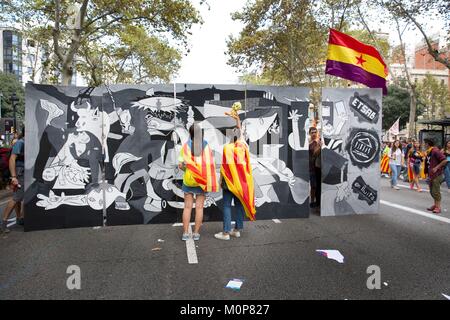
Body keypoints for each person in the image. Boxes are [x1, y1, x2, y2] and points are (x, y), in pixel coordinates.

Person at [215, 110, 256, 241]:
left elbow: (223, 167)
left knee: (226, 205)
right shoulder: (243, 146)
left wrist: (219, 181)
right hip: (242, 183)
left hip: (229, 182)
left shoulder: (227, 148)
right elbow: (241, 132)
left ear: (229, 136)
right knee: (239, 205)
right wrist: (237, 120)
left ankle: (226, 232)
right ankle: (237, 230)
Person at [178, 123, 218, 241]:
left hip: (189, 181)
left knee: (187, 207)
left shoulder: (186, 146)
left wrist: (188, 169)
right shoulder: (206, 146)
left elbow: (181, 165)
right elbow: (211, 164)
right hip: (202, 181)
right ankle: (196, 233)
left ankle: (185, 233)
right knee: (199, 208)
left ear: (190, 133)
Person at [1, 129, 25, 233]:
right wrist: (13, 177)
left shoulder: (27, 142)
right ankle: (3, 223)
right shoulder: (20, 142)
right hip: (20, 173)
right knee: (16, 197)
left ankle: (19, 218)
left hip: (24, 172)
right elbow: (12, 159)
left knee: (20, 197)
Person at [424, 139, 448, 214]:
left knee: (435, 191)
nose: (424, 145)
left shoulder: (435, 151)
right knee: (432, 191)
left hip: (437, 175)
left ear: (428, 144)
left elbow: (444, 160)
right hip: (431, 175)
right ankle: (435, 205)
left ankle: (438, 207)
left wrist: (436, 167)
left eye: (425, 143)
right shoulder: (429, 151)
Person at [309, 127, 321, 209]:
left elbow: (315, 154)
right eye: (312, 132)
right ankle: (313, 201)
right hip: (309, 167)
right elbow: (313, 154)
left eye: (315, 132)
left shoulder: (318, 143)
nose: (313, 134)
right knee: (313, 185)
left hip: (315, 167)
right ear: (309, 133)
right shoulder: (309, 143)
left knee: (315, 185)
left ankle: (315, 201)